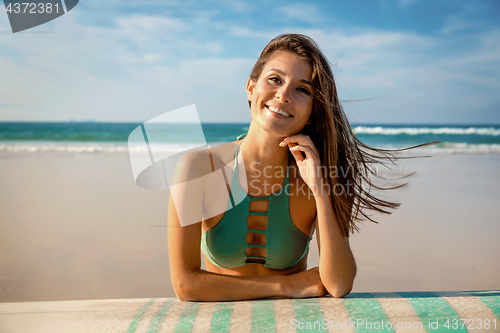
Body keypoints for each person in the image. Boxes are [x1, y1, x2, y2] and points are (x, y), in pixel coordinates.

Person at [167, 33, 404, 302]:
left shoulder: (322, 175)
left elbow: (338, 285)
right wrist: (284, 286)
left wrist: (321, 190)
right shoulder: (198, 168)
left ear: (314, 109)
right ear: (250, 87)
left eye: (302, 89)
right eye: (275, 79)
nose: (283, 95)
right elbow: (185, 285)